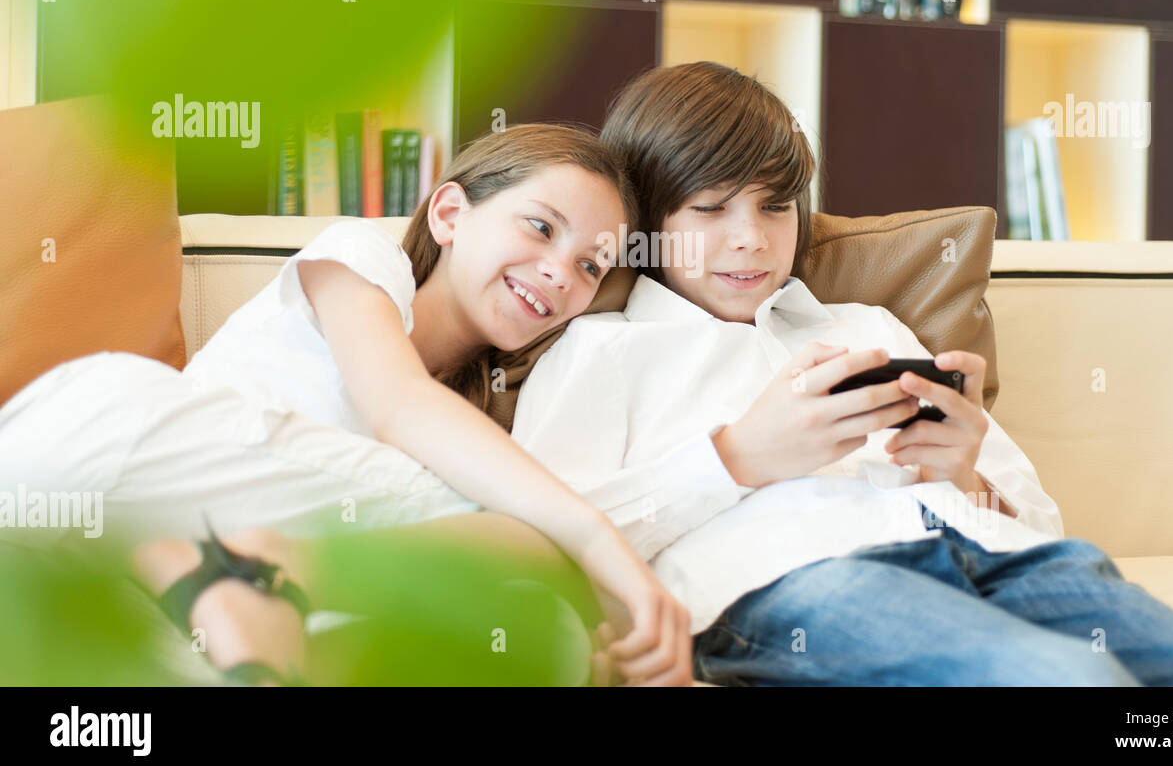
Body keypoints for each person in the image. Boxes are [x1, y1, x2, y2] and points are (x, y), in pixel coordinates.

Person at [510, 62, 1173, 686]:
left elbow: (1039, 530)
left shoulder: (867, 327)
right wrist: (733, 456)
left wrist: (960, 470)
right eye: (710, 210)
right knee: (1062, 677)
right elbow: (544, 541)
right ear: (648, 220)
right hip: (794, 586)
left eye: (776, 208)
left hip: (995, 557)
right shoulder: (603, 352)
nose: (750, 240)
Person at [0, 123, 692, 686]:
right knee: (529, 541)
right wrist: (596, 537)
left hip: (119, 590)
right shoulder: (363, 258)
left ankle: (252, 606)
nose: (559, 272)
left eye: (589, 266)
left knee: (544, 635)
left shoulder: (476, 426)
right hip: (99, 451)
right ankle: (257, 565)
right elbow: (395, 402)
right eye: (542, 228)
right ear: (450, 213)